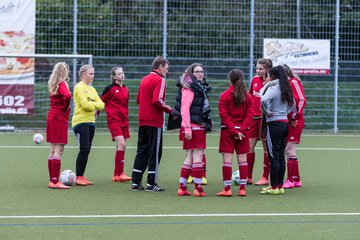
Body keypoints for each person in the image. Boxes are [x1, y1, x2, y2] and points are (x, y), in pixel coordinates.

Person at [131, 56, 173, 192]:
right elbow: (157, 100)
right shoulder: (160, 80)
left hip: (142, 121)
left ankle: (135, 182)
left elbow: (138, 99)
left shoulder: (144, 79)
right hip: (154, 122)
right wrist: (169, 109)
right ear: (159, 67)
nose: (167, 72)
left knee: (142, 151)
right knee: (155, 153)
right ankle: (151, 183)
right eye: (166, 69)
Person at [174, 63, 213, 197]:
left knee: (190, 156)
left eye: (201, 71)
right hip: (194, 126)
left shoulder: (199, 87)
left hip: (197, 126)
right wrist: (187, 128)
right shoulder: (189, 88)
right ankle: (198, 188)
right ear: (191, 73)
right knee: (198, 156)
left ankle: (182, 187)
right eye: (197, 71)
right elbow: (184, 109)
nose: (200, 74)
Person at [216, 69, 254, 197]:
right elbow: (250, 115)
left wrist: (234, 131)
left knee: (227, 161)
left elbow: (223, 115)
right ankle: (242, 189)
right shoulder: (248, 96)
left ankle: (227, 189)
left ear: (230, 80)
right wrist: (241, 130)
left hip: (228, 132)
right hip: (243, 133)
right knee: (243, 160)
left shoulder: (224, 95)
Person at [260, 65, 294, 195]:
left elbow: (263, 99)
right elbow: (293, 104)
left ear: (273, 76)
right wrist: (284, 113)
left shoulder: (274, 88)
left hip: (274, 124)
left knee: (273, 156)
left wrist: (267, 112)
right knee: (280, 155)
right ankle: (280, 186)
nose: (266, 78)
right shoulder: (286, 87)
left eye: (268, 76)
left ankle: (274, 187)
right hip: (284, 123)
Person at [72, 64, 104, 186]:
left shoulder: (92, 89)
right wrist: (94, 105)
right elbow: (85, 105)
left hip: (91, 122)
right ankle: (78, 177)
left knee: (87, 149)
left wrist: (94, 105)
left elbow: (101, 104)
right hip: (80, 122)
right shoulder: (79, 87)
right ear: (83, 74)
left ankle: (81, 176)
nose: (93, 76)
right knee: (84, 148)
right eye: (91, 73)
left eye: (93, 73)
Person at [101, 67, 132, 183]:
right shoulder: (110, 89)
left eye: (122, 73)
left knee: (121, 146)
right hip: (114, 120)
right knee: (122, 144)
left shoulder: (126, 89)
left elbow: (125, 105)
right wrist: (96, 112)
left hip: (124, 121)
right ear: (114, 77)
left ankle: (117, 174)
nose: (122, 75)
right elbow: (101, 101)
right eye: (119, 74)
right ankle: (120, 173)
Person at [46, 62, 72, 189]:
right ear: (64, 71)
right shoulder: (62, 83)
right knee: (58, 150)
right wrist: (66, 108)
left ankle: (52, 180)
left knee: (52, 149)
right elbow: (67, 96)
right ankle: (56, 182)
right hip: (59, 118)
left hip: (51, 116)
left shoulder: (52, 83)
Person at [248, 58, 272, 185]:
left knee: (266, 148)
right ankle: (248, 176)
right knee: (249, 146)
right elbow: (250, 96)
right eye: (257, 68)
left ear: (267, 69)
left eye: (260, 69)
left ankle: (265, 177)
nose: (257, 71)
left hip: (265, 119)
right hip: (253, 118)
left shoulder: (271, 82)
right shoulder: (254, 79)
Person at [282, 64, 306, 188]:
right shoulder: (286, 83)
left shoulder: (293, 82)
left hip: (295, 121)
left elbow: (301, 100)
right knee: (289, 149)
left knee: (289, 149)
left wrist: (294, 117)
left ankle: (290, 180)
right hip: (289, 120)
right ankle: (296, 179)